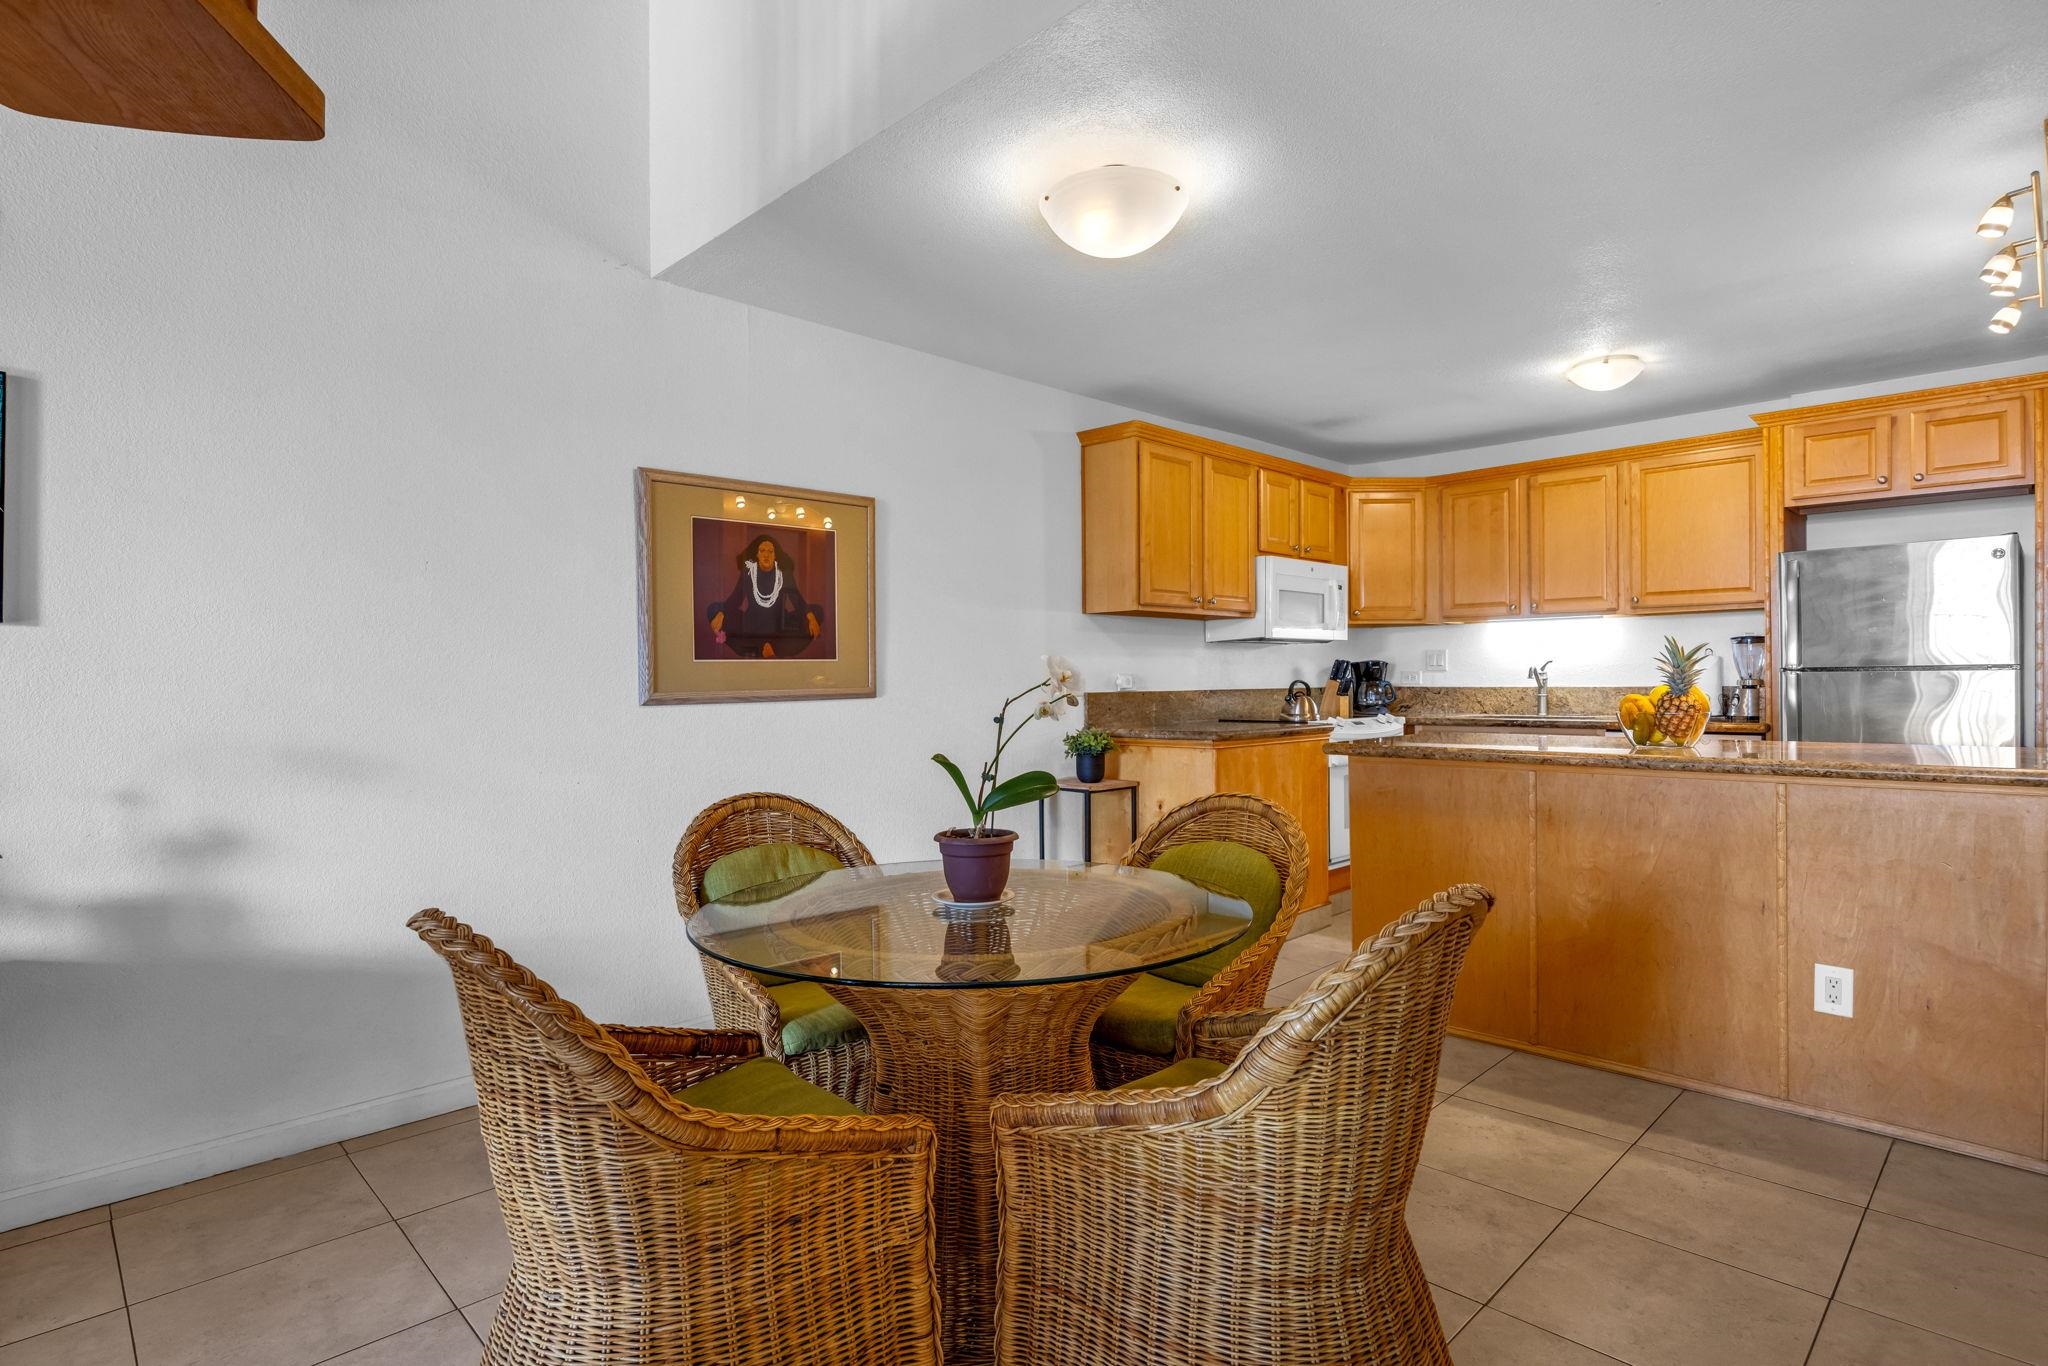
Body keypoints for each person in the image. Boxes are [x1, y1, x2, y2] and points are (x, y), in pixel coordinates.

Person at [705, 533, 823, 658]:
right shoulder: (749, 572)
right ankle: (763, 648)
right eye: (762, 550)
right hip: (752, 625)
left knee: (817, 612)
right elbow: (735, 599)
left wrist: (811, 617)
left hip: (778, 625)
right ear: (757, 554)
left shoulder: (784, 574)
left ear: (775, 555)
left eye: (770, 551)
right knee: (713, 609)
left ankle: (773, 649)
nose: (766, 554)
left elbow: (797, 600)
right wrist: (721, 613)